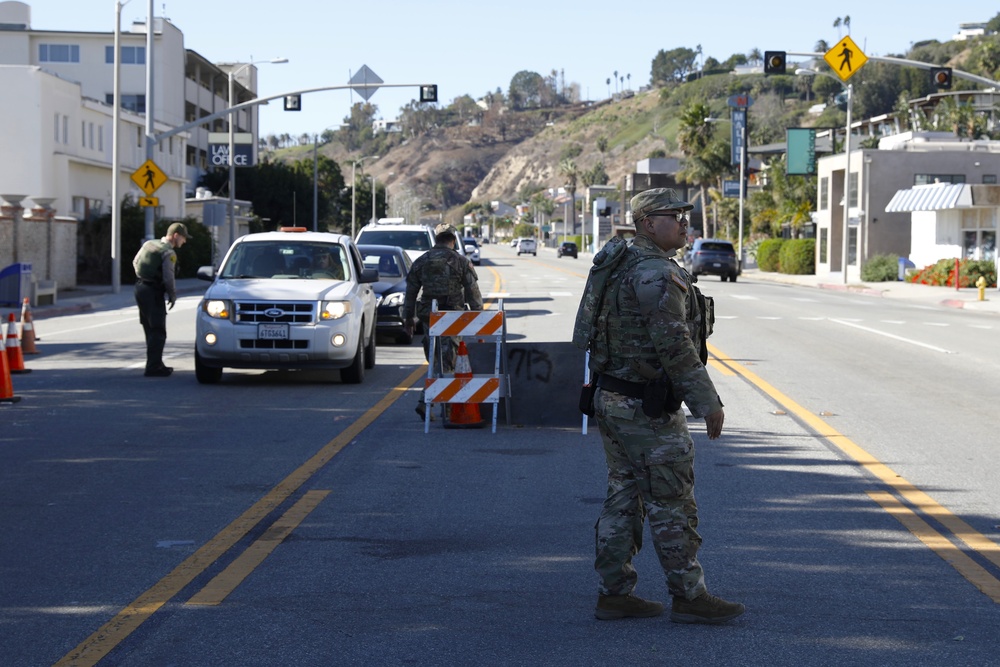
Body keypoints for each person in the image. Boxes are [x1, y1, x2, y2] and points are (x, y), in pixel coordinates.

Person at [588, 188, 744, 624]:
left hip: (613, 397)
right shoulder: (655, 273)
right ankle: (689, 597)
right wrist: (706, 402)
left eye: (682, 215)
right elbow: (675, 346)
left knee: (623, 496)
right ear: (646, 223)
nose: (682, 223)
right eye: (673, 215)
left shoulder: (618, 261)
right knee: (671, 499)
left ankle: (614, 593)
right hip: (645, 408)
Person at [403, 223, 483, 419]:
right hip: (452, 318)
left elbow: (411, 292)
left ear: (436, 239)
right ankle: (428, 401)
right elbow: (473, 294)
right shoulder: (460, 261)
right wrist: (480, 324)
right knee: (446, 363)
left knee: (436, 359)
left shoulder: (421, 261)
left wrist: (408, 318)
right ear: (453, 240)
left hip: (428, 318)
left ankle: (436, 405)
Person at [132, 222, 189, 377]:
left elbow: (135, 262)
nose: (184, 242)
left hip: (139, 288)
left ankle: (156, 362)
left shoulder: (149, 244)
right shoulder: (168, 253)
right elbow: (168, 277)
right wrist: (172, 295)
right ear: (176, 235)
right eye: (183, 238)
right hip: (152, 291)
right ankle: (153, 367)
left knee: (149, 328)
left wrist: (143, 277)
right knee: (158, 330)